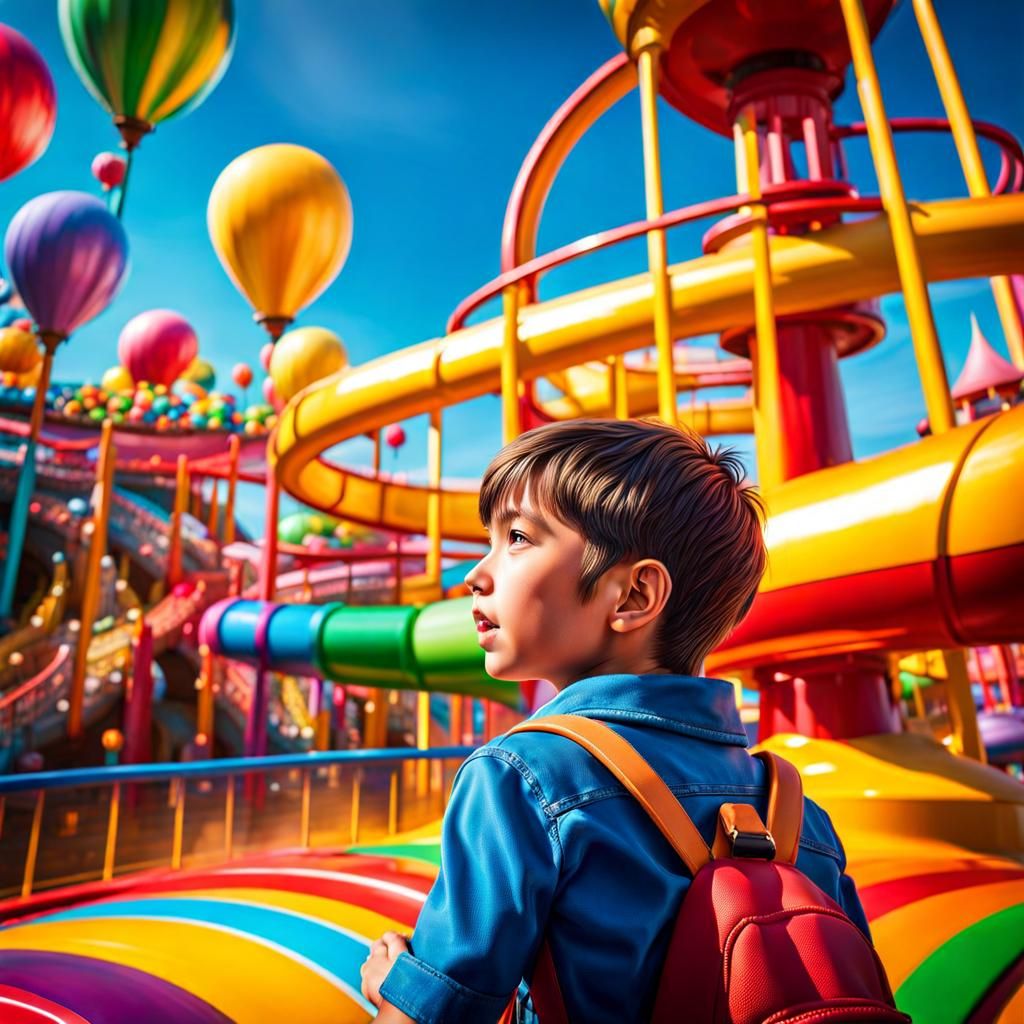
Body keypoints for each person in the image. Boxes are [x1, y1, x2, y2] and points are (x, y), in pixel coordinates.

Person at [360, 418, 870, 1023]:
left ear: (632, 597)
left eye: (518, 537)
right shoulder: (801, 814)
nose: (477, 574)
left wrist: (395, 988)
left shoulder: (519, 779)